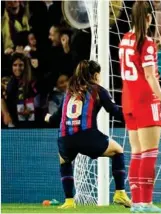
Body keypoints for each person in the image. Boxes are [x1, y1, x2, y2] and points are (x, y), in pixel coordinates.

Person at [45, 60, 131, 209]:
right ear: (96, 75)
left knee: (64, 161)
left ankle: (69, 201)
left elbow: (57, 117)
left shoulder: (69, 92)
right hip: (87, 136)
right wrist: (132, 117)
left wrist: (48, 118)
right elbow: (114, 111)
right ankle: (120, 193)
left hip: (65, 138)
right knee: (118, 151)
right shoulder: (97, 89)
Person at [119, 1, 161, 213]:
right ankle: (146, 203)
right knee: (149, 153)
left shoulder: (125, 40)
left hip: (128, 100)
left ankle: (136, 203)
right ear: (149, 18)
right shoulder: (147, 43)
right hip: (145, 100)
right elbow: (150, 76)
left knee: (136, 152)